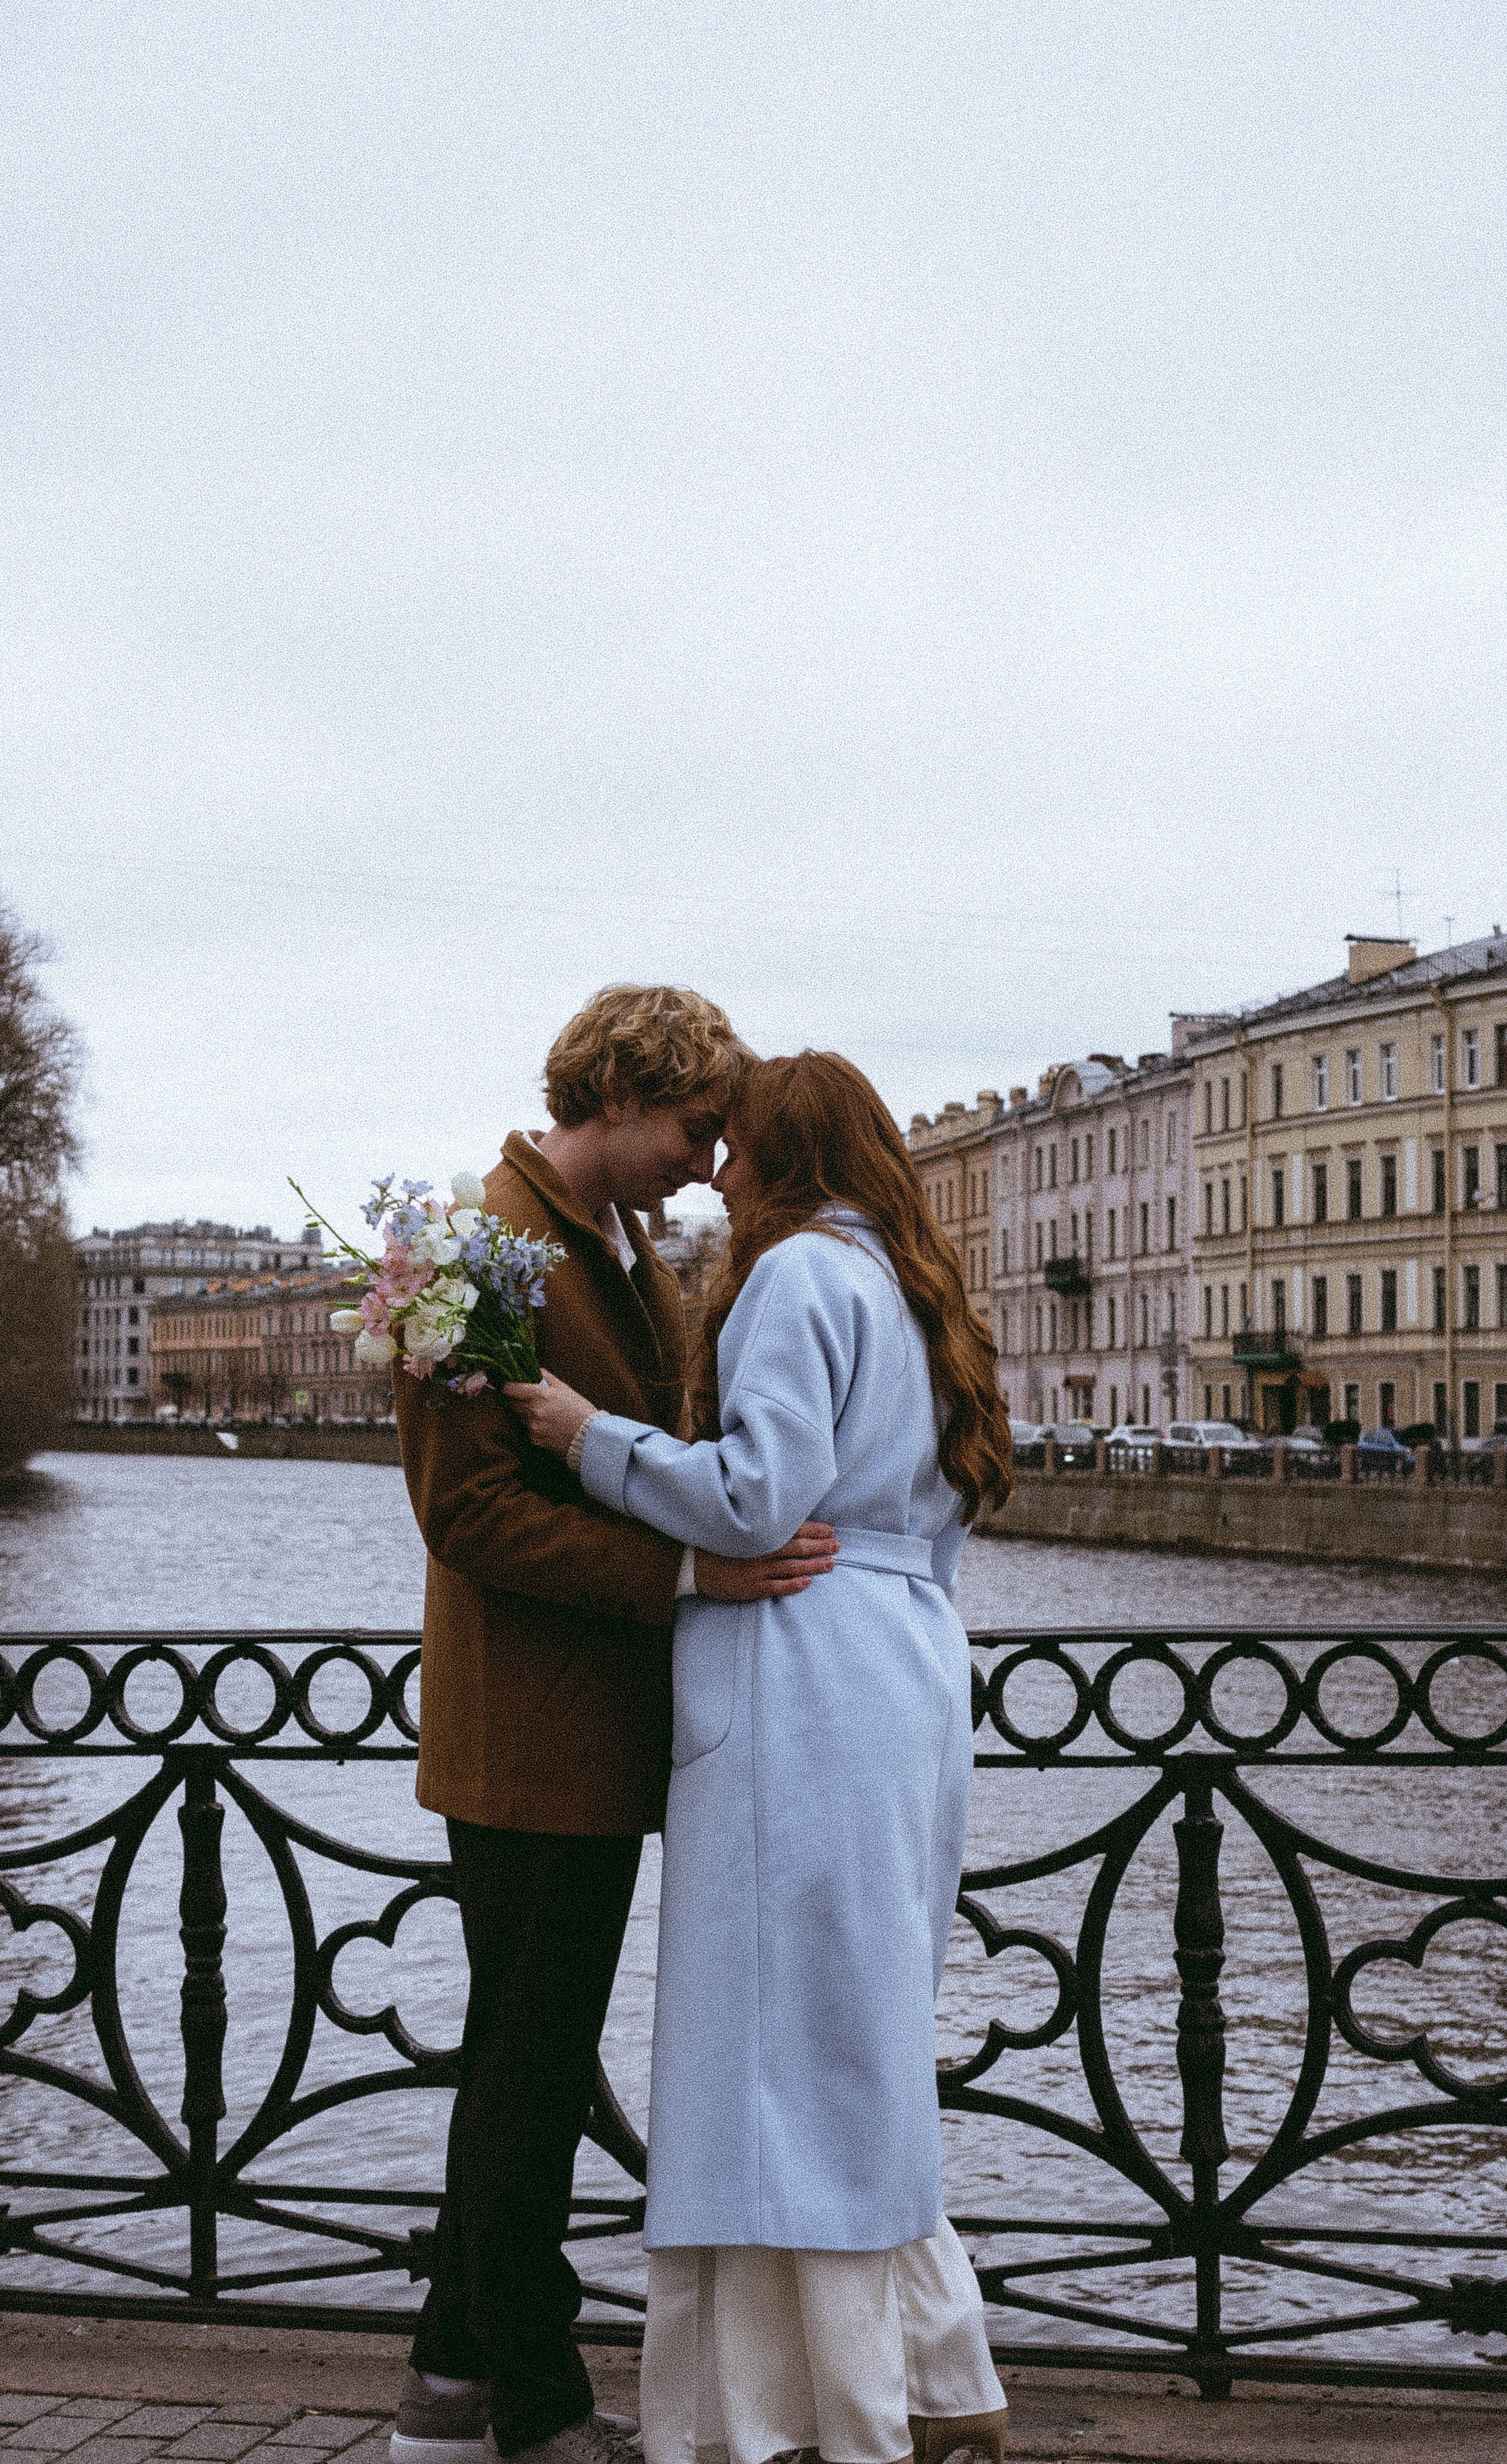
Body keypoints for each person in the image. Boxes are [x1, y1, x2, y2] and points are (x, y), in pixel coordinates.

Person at [504, 1049, 1015, 2464]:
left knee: (770, 2047)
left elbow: (755, 1499)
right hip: (904, 1662)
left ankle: (802, 2416)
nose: (715, 1175)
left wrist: (583, 1433)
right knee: (859, 2034)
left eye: (737, 1150)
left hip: (799, 1666)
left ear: (784, 1158)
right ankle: (921, 2371)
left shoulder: (796, 1276)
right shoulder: (913, 1287)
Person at [391, 988, 839, 2464]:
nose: (709, 1163)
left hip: (591, 1732)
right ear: (626, 1096)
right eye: (697, 1129)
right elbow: (467, 1514)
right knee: (528, 2068)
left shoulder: (620, 1249)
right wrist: (687, 1569)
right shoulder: (479, 1247)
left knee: (529, 2059)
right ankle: (534, 2404)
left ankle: (448, 2387)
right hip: (525, 1733)